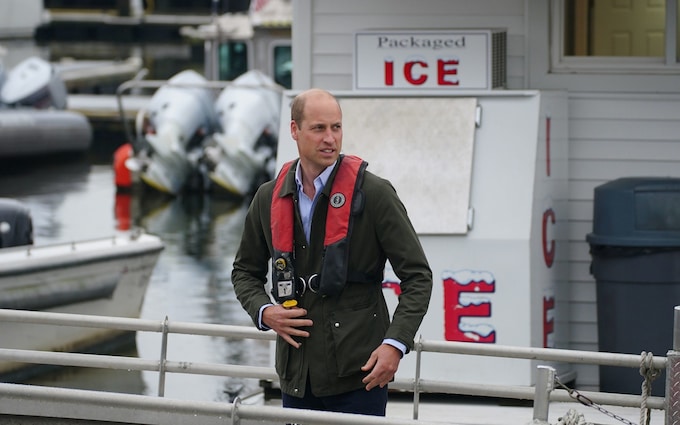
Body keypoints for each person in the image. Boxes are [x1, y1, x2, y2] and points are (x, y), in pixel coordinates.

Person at [231, 88, 432, 417]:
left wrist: (395, 344)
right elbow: (243, 271)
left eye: (336, 128)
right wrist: (264, 311)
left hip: (360, 374)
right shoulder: (268, 198)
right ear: (294, 130)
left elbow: (418, 277)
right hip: (297, 375)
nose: (330, 139)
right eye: (319, 128)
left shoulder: (376, 194)